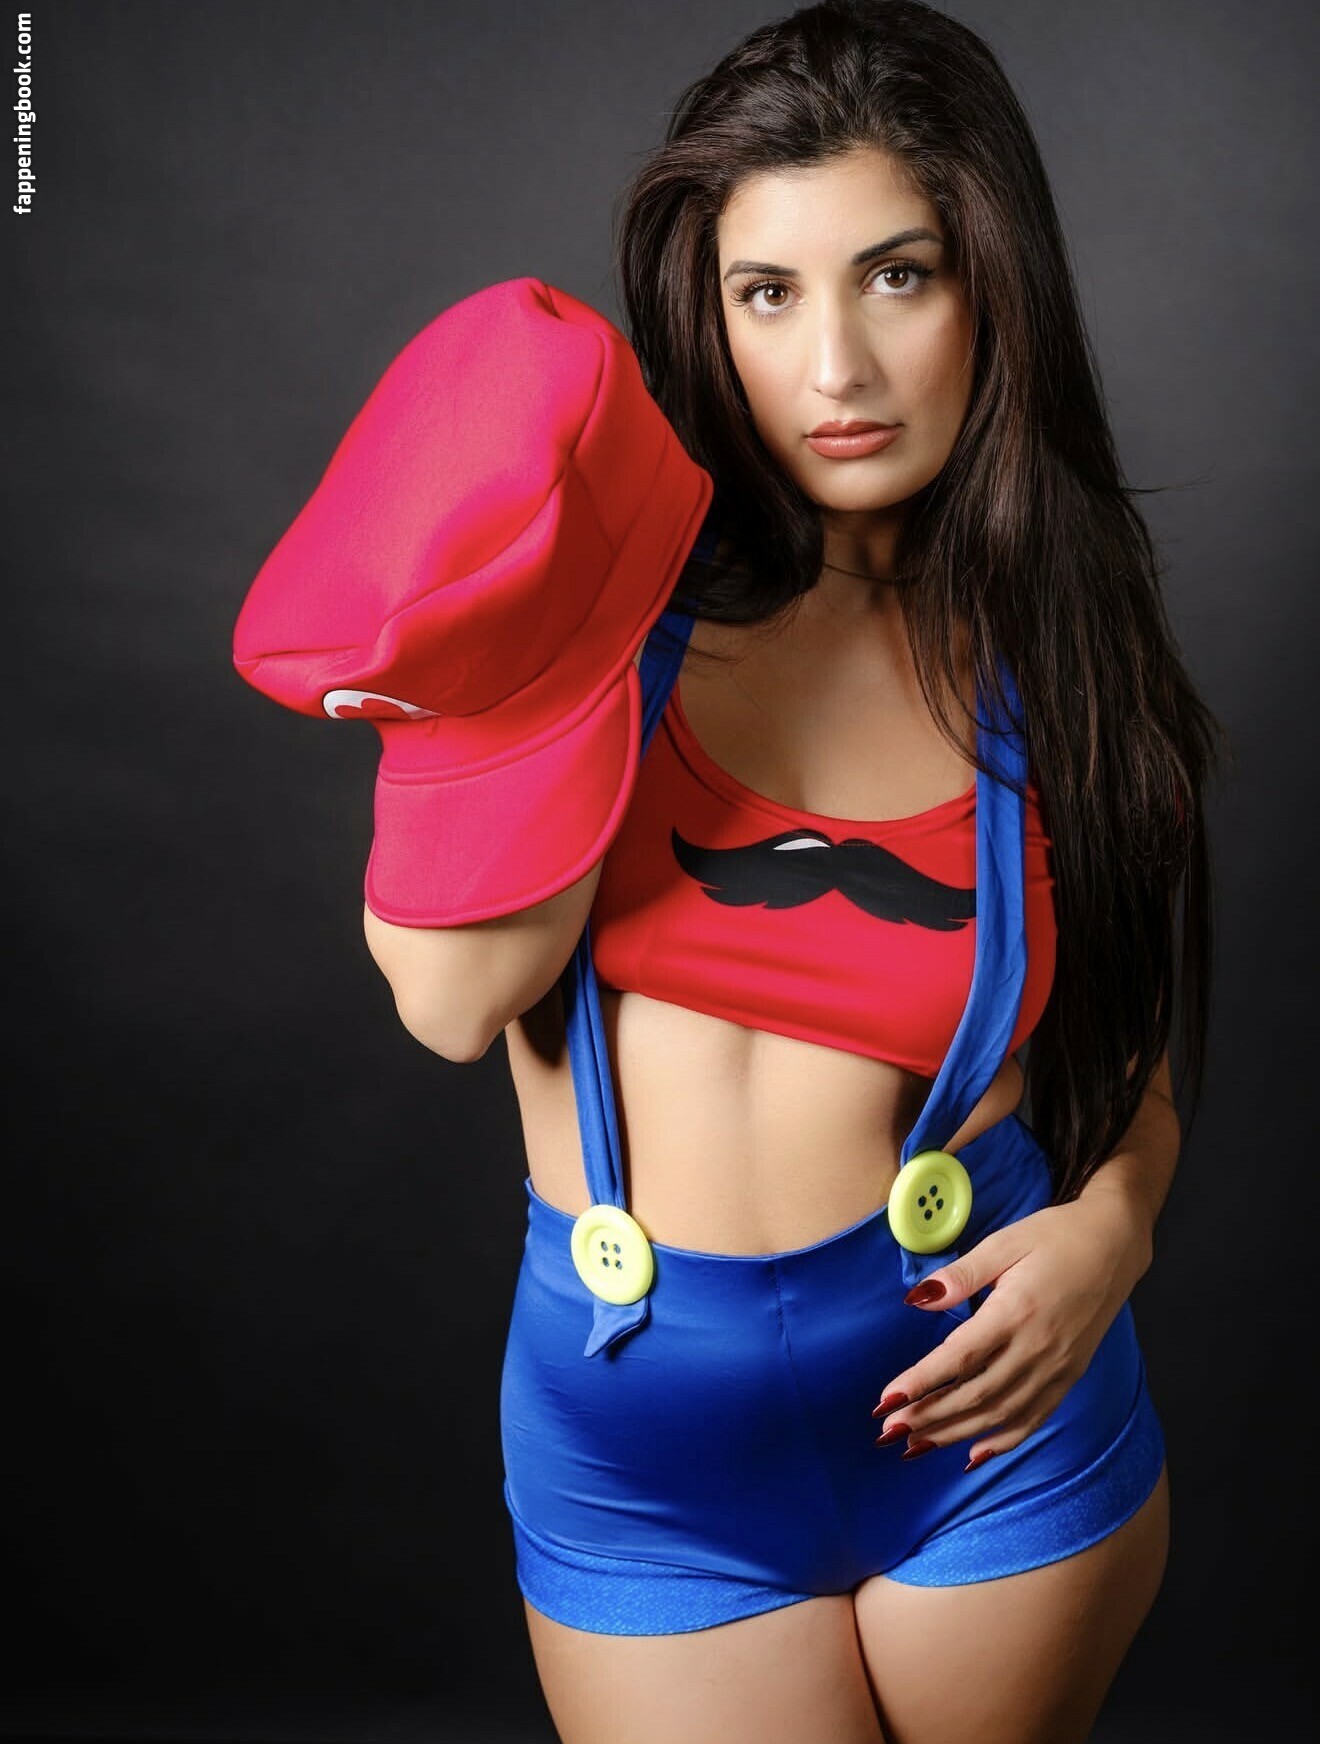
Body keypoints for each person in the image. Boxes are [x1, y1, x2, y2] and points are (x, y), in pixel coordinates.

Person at [355, 3, 1221, 1740]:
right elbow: (451, 1002)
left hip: (990, 1412)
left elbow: (1122, 1042)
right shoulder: (608, 609)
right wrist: (522, 647)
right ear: (709, 312)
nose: (836, 366)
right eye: (768, 294)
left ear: (990, 288)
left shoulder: (1065, 648)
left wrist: (1113, 1231)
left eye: (896, 277)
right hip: (643, 1461)